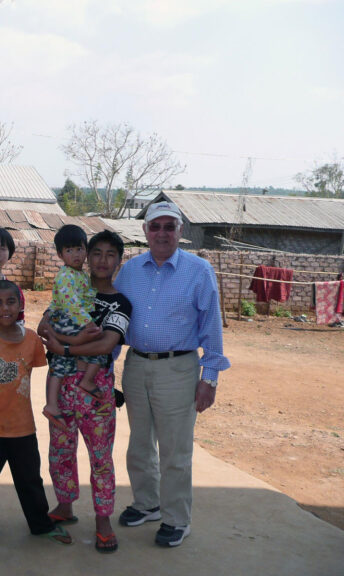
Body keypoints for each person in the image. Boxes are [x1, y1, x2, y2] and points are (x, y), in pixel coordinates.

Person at [113, 201, 230, 548]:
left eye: (169, 226)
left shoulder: (198, 270)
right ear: (145, 231)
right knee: (139, 444)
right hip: (136, 365)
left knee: (175, 451)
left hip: (179, 369)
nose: (162, 233)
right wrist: (103, 367)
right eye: (155, 226)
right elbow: (114, 321)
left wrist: (209, 379)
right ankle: (147, 504)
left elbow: (211, 328)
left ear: (181, 231)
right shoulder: (130, 271)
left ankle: (177, 519)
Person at [40, 230, 132, 554]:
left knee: (100, 457)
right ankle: (65, 506)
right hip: (62, 385)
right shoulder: (69, 286)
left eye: (110, 254)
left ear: (119, 262)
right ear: (85, 256)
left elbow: (106, 344)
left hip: (96, 390)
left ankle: (103, 520)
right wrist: (54, 333)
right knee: (60, 449)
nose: (102, 260)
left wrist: (63, 349)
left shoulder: (120, 303)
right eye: (97, 253)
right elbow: (44, 324)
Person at [0, 280, 72, 556]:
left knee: (30, 479)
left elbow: (45, 369)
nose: (5, 307)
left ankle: (40, 525)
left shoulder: (31, 340)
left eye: (11, 302)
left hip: (22, 427)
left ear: (21, 305)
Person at [43, 225, 105, 430]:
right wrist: (88, 323)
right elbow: (71, 304)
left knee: (66, 359)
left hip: (74, 319)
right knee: (94, 347)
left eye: (79, 249)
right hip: (68, 319)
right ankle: (53, 403)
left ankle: (80, 384)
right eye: (69, 251)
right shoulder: (65, 275)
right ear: (60, 255)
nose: (76, 255)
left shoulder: (81, 276)